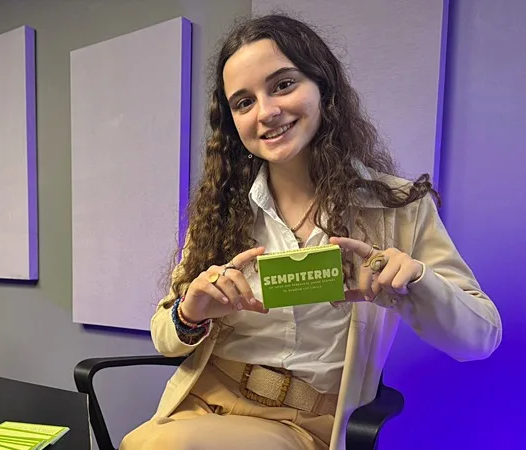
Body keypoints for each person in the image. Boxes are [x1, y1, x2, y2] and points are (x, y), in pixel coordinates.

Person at [119, 13, 502, 450]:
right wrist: (191, 313)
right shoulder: (220, 211)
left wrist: (415, 282)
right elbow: (165, 338)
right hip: (204, 402)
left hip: (307, 424)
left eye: (283, 85)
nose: (266, 112)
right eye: (243, 102)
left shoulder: (398, 209)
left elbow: (480, 338)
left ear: (324, 88)